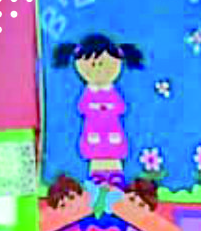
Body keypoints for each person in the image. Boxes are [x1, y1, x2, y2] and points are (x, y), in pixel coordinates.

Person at [52, 34, 145, 186]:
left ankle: (116, 180)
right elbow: (82, 107)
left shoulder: (111, 91)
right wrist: (96, 108)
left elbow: (121, 107)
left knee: (114, 153)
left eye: (103, 64)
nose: (98, 70)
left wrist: (106, 108)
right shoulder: (89, 91)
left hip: (112, 128)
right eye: (93, 65)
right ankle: (96, 181)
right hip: (93, 128)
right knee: (96, 155)